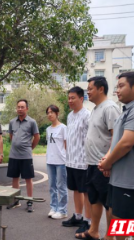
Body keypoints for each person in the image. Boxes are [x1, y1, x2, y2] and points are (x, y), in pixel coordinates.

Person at [75, 77, 120, 240]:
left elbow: (117, 138)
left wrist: (108, 162)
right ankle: (94, 231)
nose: (87, 92)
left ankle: (110, 236)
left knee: (110, 203)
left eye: (90, 88)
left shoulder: (110, 108)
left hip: (104, 165)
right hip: (93, 164)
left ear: (101, 89)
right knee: (95, 198)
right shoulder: (96, 109)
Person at [99, 72, 134, 240]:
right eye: (117, 86)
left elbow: (127, 143)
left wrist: (108, 163)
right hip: (117, 179)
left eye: (121, 86)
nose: (117, 90)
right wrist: (108, 161)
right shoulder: (124, 112)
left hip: (128, 182)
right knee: (115, 217)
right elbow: (116, 142)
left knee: (122, 224)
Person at [62, 87, 91, 233]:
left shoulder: (87, 115)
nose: (70, 101)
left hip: (83, 161)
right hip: (71, 160)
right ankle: (78, 216)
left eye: (73, 98)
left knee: (85, 191)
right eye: (69, 98)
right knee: (75, 190)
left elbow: (90, 139)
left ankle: (88, 221)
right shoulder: (69, 115)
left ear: (81, 98)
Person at [6, 99, 40, 212]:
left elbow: (37, 137)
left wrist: (30, 148)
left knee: (28, 179)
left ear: (27, 108)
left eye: (22, 107)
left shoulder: (32, 122)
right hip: (13, 155)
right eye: (18, 107)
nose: (20, 109)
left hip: (26, 156)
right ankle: (15, 200)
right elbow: (11, 136)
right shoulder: (12, 122)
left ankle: (29, 201)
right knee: (15, 178)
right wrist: (16, 144)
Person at [46, 104, 68, 219]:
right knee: (51, 186)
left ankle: (63, 210)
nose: (49, 114)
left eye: (52, 112)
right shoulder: (48, 129)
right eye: (48, 113)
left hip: (61, 162)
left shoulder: (63, 128)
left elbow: (66, 145)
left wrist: (66, 159)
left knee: (61, 186)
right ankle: (53, 207)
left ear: (57, 114)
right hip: (50, 161)